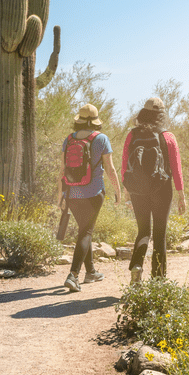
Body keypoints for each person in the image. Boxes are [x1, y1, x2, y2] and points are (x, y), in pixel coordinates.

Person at [121, 96, 186, 283]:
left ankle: (136, 265)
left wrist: (127, 190)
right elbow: (176, 169)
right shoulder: (168, 137)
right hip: (162, 189)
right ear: (161, 115)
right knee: (159, 234)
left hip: (137, 189)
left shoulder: (132, 135)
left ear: (143, 113)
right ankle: (158, 280)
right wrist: (181, 195)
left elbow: (125, 163)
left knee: (143, 231)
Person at [60, 103, 121, 293]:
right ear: (95, 121)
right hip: (93, 193)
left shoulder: (69, 139)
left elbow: (62, 170)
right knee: (85, 232)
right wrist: (118, 190)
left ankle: (91, 272)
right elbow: (110, 169)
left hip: (72, 193)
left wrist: (61, 195)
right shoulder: (101, 139)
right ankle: (73, 275)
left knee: (84, 231)